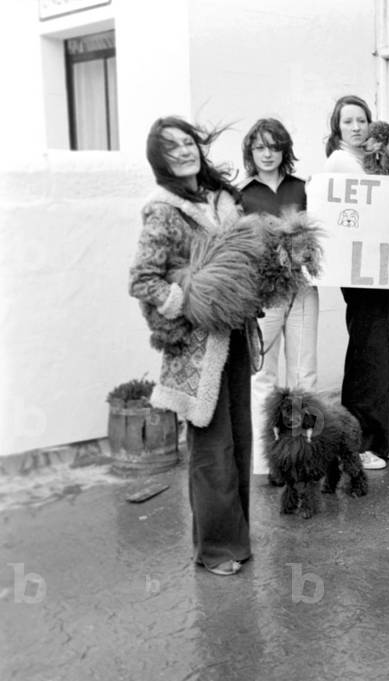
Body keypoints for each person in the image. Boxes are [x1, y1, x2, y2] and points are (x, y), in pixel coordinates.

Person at [129, 117, 251, 576]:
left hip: (234, 334)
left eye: (187, 142)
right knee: (211, 447)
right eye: (170, 148)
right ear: (159, 160)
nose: (183, 151)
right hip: (197, 345)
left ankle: (236, 539)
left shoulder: (221, 198)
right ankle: (216, 549)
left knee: (239, 440)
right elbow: (143, 279)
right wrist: (188, 302)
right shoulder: (163, 210)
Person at [325, 95, 389, 469]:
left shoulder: (377, 158)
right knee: (370, 354)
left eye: (362, 120)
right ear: (337, 127)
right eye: (348, 121)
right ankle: (360, 443)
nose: (356, 127)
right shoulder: (341, 161)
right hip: (361, 270)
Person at [240, 118, 319, 483]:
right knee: (263, 375)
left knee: (303, 372)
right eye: (260, 147)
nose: (267, 154)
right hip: (264, 292)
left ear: (284, 150)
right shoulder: (242, 194)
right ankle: (266, 461)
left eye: (274, 146)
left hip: (301, 288)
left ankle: (301, 454)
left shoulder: (305, 188)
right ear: (251, 152)